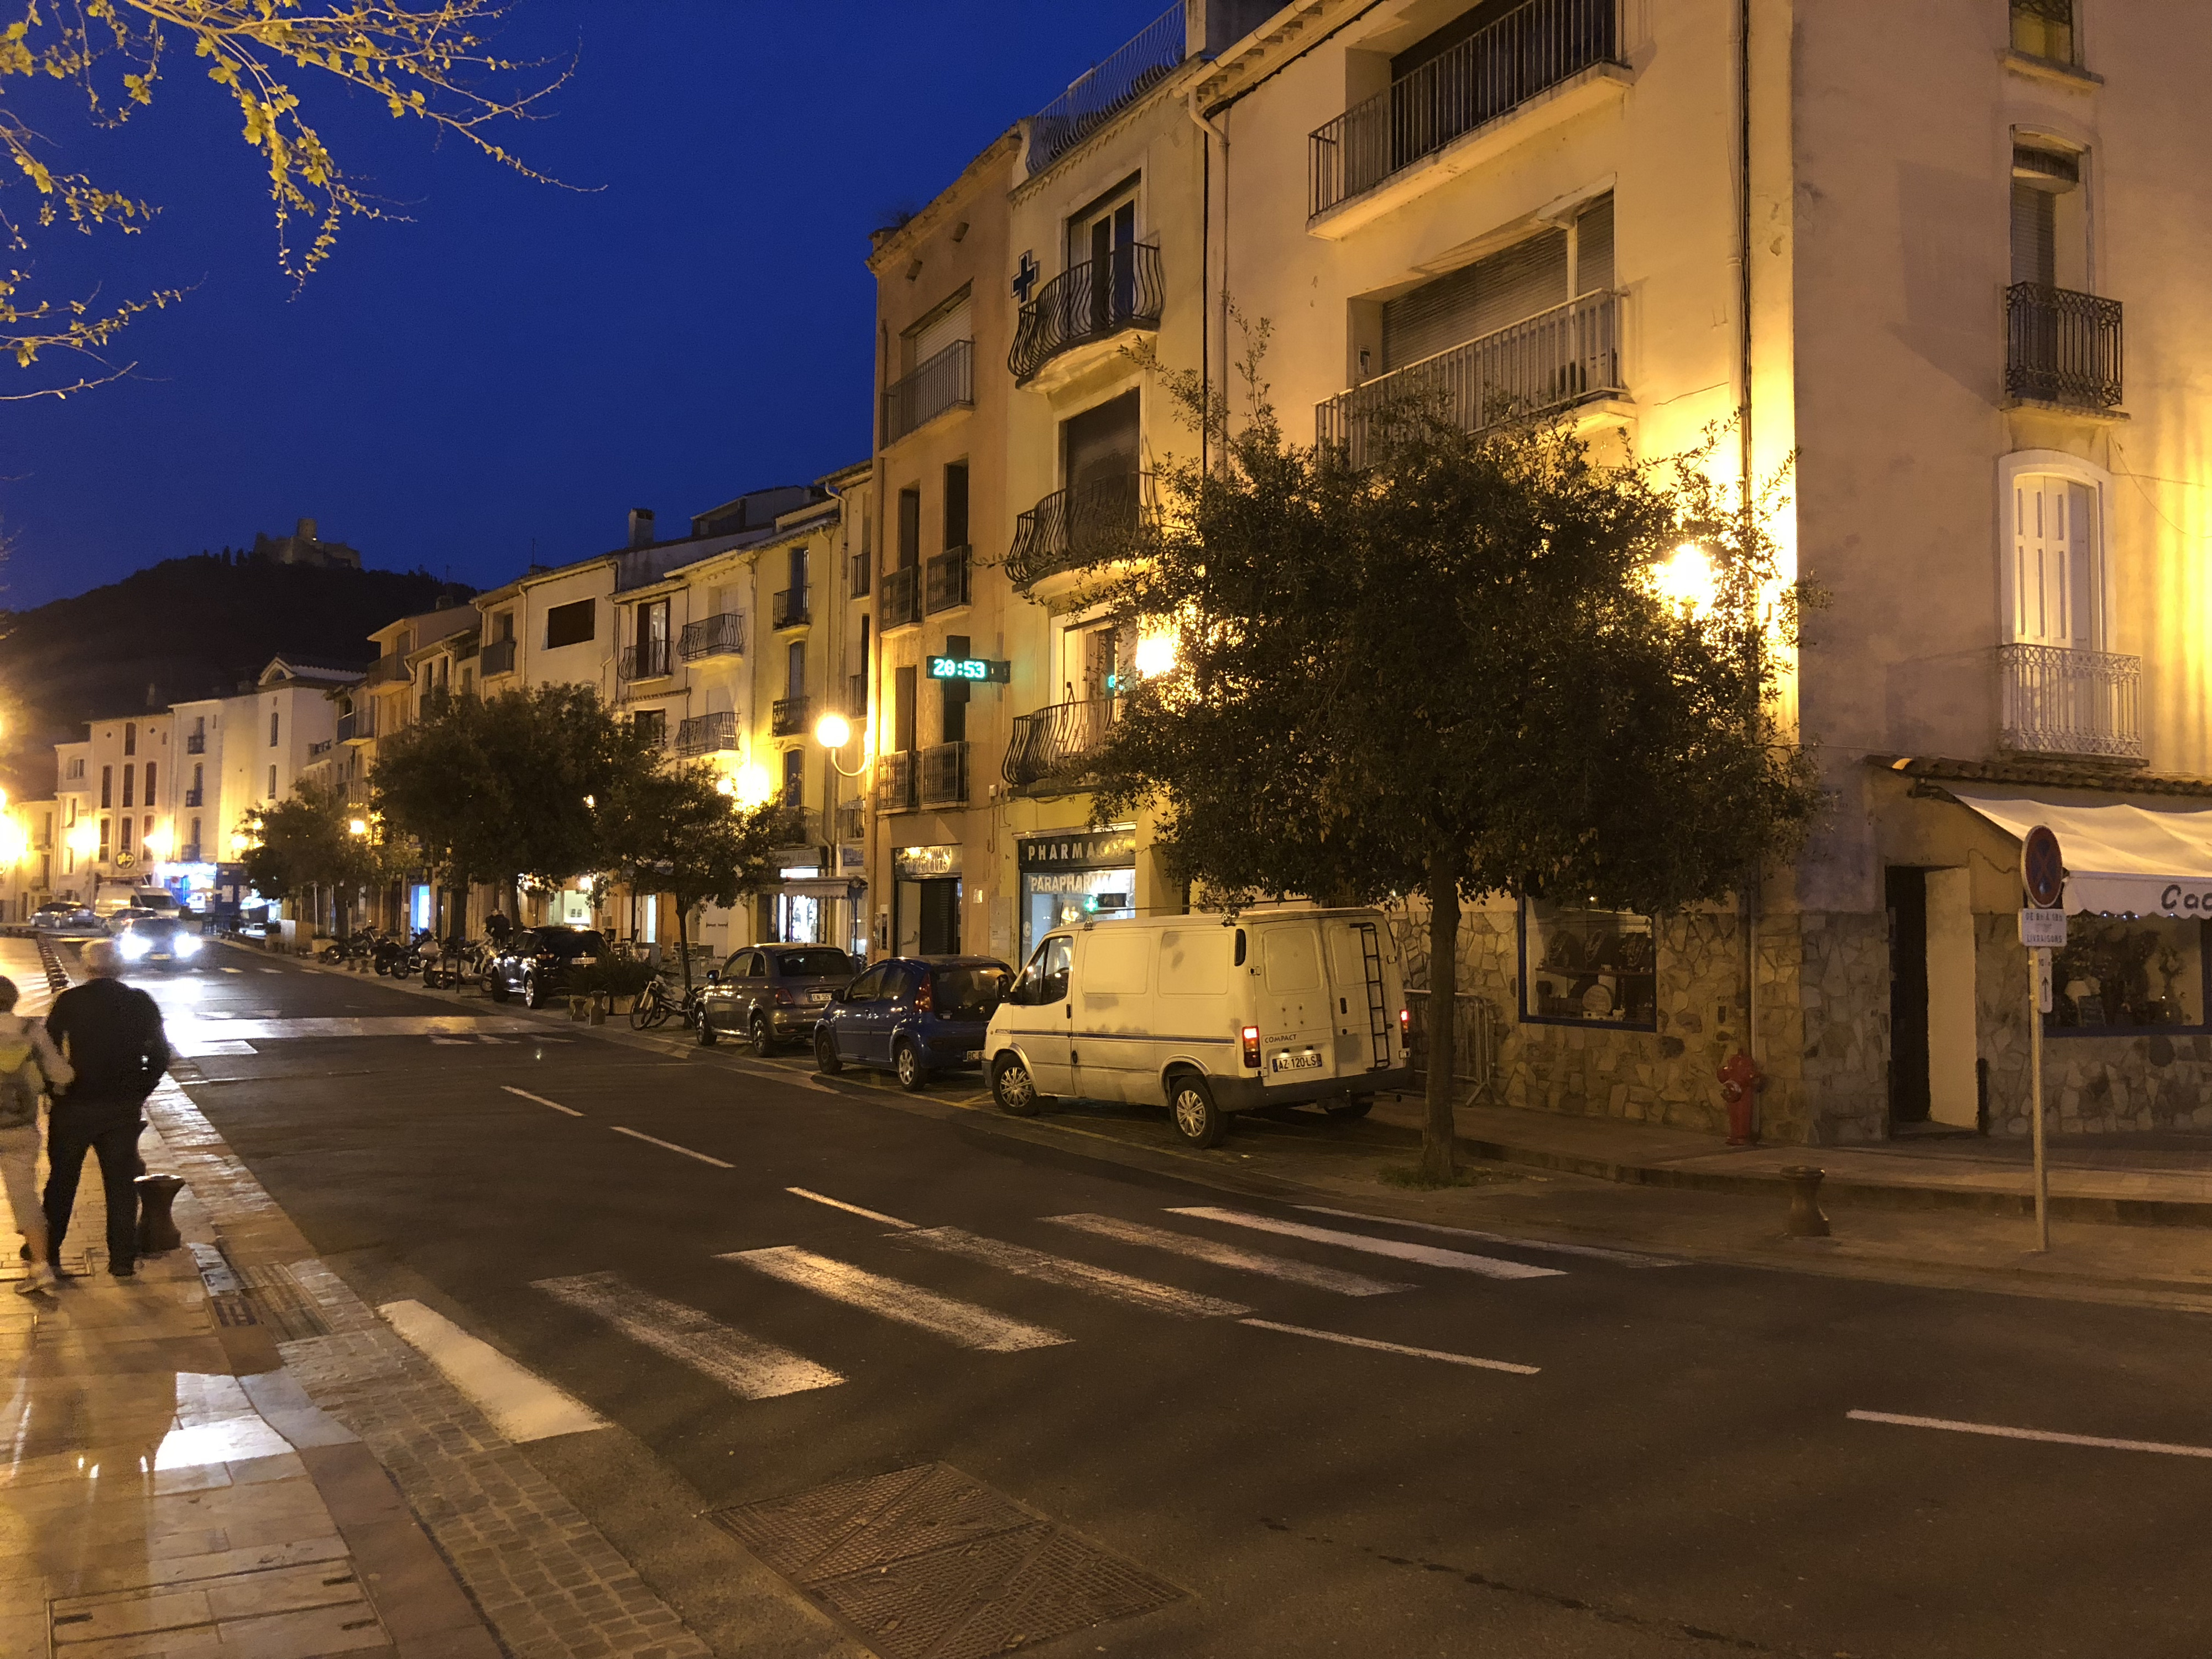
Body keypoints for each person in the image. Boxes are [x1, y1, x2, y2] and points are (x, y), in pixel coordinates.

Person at [44, 938, 169, 1279]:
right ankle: (122, 1260)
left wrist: (56, 1090)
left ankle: (50, 1253)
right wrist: (141, 1089)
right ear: (120, 968)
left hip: (75, 1104)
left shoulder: (69, 1001)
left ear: (87, 967)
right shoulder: (140, 1002)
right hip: (121, 1107)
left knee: (62, 1180)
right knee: (121, 1184)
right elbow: (160, 1054)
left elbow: (48, 1049)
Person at [0, 976, 72, 1296]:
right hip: (21, 1128)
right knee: (24, 1197)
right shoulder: (31, 1030)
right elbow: (62, 1074)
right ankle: (41, 1268)